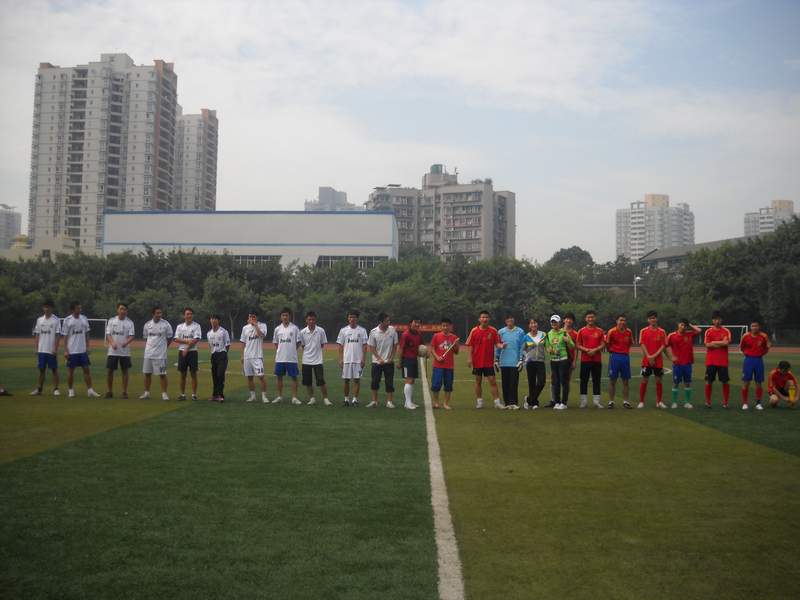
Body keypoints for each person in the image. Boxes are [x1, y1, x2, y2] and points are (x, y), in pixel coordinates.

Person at [465, 310, 504, 409]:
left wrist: (501, 346)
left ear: (489, 319)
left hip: (488, 362)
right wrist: (469, 358)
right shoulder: (474, 331)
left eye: (486, 317)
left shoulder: (493, 331)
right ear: (479, 319)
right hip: (477, 361)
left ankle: (497, 402)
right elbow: (469, 345)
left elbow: (497, 343)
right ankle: (479, 402)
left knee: (493, 381)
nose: (484, 319)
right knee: (478, 381)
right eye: (483, 317)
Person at [62, 301, 100, 398]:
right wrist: (65, 350)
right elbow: (65, 336)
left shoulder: (84, 318)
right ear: (73, 309)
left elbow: (87, 333)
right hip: (72, 351)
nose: (80, 309)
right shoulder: (67, 320)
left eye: (80, 308)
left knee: (86, 370)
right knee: (70, 371)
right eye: (78, 308)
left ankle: (90, 390)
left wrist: (88, 347)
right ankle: (71, 390)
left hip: (82, 350)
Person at [140, 305, 173, 401]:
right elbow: (146, 338)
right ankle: (146, 393)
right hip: (148, 354)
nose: (159, 315)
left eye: (160, 313)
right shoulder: (147, 325)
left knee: (162, 374)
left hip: (160, 355)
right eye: (157, 313)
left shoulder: (166, 324)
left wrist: (164, 347)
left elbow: (170, 338)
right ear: (153, 314)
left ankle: (164, 394)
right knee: (147, 373)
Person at [666, 319, 701, 409]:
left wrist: (690, 324)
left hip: (688, 363)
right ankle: (674, 402)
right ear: (678, 325)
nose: (683, 327)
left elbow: (699, 330)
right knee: (676, 383)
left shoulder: (689, 334)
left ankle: (687, 402)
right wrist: (671, 357)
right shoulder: (672, 335)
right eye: (681, 325)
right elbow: (665, 346)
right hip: (677, 364)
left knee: (687, 383)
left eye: (685, 325)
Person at [336, 310, 368, 407]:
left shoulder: (362, 330)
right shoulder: (343, 330)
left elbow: (365, 346)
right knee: (346, 380)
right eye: (350, 317)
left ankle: (355, 400)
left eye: (354, 317)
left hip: (358, 360)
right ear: (348, 318)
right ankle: (346, 399)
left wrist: (363, 359)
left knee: (357, 380)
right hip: (347, 360)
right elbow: (340, 346)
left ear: (357, 318)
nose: (352, 319)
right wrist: (340, 359)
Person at [367, 312, 399, 408]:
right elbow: (372, 347)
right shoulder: (373, 332)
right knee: (375, 382)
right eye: (386, 321)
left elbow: (395, 345)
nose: (389, 322)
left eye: (389, 320)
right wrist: (379, 358)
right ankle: (374, 401)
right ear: (381, 322)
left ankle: (389, 402)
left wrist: (391, 358)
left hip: (389, 362)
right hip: (376, 362)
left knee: (389, 382)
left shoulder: (392, 330)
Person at [31, 298, 61, 396]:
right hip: (42, 350)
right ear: (43, 308)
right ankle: (39, 389)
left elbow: (58, 335)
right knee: (41, 370)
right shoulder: (39, 320)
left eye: (48, 307)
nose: (46, 309)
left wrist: (55, 348)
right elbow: (37, 335)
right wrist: (36, 348)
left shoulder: (56, 320)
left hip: (51, 350)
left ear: (52, 308)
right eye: (45, 307)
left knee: (54, 370)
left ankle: (56, 389)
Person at [271, 308, 302, 405]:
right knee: (279, 378)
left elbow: (298, 342)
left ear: (290, 316)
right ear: (280, 317)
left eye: (287, 315)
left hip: (291, 358)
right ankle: (279, 397)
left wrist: (292, 350)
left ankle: (294, 398)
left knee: (294, 377)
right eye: (283, 315)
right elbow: (276, 343)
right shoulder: (277, 329)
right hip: (280, 358)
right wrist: (281, 350)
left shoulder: (295, 328)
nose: (285, 317)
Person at [299, 311, 330, 406]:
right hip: (306, 360)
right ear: (306, 320)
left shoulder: (321, 331)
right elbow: (303, 345)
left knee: (321, 381)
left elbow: (322, 344)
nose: (311, 321)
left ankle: (326, 399)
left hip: (318, 360)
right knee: (308, 382)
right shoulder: (302, 332)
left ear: (315, 320)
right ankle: (312, 398)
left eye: (313, 319)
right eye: (309, 319)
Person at [576, 310, 605, 409]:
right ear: (585, 319)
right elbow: (578, 345)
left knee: (596, 381)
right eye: (589, 317)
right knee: (584, 380)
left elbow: (603, 344)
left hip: (597, 360)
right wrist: (587, 350)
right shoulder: (581, 331)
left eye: (592, 317)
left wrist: (595, 350)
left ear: (595, 318)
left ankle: (596, 402)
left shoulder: (600, 331)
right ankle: (583, 402)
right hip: (585, 359)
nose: (590, 319)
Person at [638, 310, 667, 409]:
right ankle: (641, 401)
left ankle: (659, 401)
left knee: (659, 380)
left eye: (654, 318)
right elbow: (642, 343)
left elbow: (663, 345)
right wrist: (649, 356)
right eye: (650, 318)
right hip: (647, 360)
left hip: (658, 360)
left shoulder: (662, 331)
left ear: (657, 319)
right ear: (648, 320)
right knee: (644, 380)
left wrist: (654, 356)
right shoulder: (643, 331)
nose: (652, 320)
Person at [105, 302, 135, 399]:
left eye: (124, 309)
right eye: (121, 309)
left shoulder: (129, 322)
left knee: (125, 371)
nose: (123, 311)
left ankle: (124, 392)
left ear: (127, 311)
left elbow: (132, 336)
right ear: (117, 310)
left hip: (125, 352)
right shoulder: (112, 321)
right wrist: (112, 343)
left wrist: (126, 342)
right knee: (110, 371)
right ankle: (109, 391)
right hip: (112, 351)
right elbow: (108, 334)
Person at [545, 315, 575, 410]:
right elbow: (547, 346)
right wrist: (549, 349)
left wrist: (568, 341)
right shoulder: (549, 334)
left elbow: (572, 346)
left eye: (556, 322)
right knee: (556, 382)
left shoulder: (564, 333)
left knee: (564, 381)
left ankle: (564, 403)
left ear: (559, 323)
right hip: (554, 360)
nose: (554, 323)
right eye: (552, 322)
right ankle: (557, 402)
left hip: (563, 360)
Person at [496, 314, 526, 410]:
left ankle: (514, 402)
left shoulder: (520, 331)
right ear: (505, 321)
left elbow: (522, 346)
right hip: (504, 362)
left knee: (514, 383)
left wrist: (521, 359)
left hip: (515, 362)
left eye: (511, 319)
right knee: (505, 383)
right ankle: (507, 403)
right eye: (508, 319)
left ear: (514, 320)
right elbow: (497, 346)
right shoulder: (501, 332)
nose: (510, 321)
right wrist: (496, 359)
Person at [739, 320, 771, 411]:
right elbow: (741, 347)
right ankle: (745, 403)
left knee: (759, 382)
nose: (754, 327)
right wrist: (748, 354)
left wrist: (761, 353)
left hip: (758, 360)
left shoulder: (763, 336)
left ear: (759, 327)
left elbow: (767, 346)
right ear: (750, 327)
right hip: (748, 360)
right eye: (752, 326)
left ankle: (758, 403)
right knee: (746, 382)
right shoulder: (745, 336)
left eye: (756, 326)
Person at [704, 311, 732, 408]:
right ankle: (708, 401)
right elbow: (707, 345)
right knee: (709, 381)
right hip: (711, 361)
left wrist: (713, 342)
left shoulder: (726, 331)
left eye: (719, 319)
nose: (717, 321)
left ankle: (725, 402)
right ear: (713, 320)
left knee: (725, 382)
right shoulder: (708, 331)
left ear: (721, 320)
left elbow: (726, 343)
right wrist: (721, 342)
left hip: (723, 362)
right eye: (715, 319)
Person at [430, 317, 459, 410]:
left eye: (447, 326)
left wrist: (456, 345)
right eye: (443, 325)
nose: (445, 327)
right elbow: (432, 348)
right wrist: (437, 357)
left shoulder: (454, 337)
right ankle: (436, 403)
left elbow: (456, 352)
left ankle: (446, 403)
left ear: (450, 326)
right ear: (441, 326)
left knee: (448, 385)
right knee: (436, 385)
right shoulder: (436, 336)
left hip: (449, 366)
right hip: (438, 366)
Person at [240, 309, 269, 403]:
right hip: (247, 356)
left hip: (257, 356)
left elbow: (262, 335)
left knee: (261, 377)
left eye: (253, 317)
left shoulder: (262, 325)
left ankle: (264, 396)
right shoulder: (245, 328)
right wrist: (242, 356)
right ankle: (252, 396)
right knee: (249, 377)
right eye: (250, 316)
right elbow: (243, 342)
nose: (251, 318)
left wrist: (255, 325)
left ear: (257, 317)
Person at [606, 314, 634, 409]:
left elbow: (630, 343)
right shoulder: (611, 331)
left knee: (625, 381)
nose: (622, 322)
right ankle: (611, 401)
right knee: (612, 380)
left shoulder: (629, 331)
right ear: (616, 321)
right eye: (621, 320)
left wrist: (624, 350)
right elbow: (607, 343)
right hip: (614, 357)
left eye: (624, 320)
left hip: (625, 357)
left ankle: (626, 401)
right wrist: (613, 351)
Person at [174, 307, 202, 401]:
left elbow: (196, 339)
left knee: (193, 373)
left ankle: (194, 394)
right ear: (184, 316)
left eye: (191, 314)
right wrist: (187, 342)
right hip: (182, 352)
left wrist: (187, 348)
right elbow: (176, 339)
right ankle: (182, 394)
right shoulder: (179, 327)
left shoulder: (196, 326)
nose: (189, 315)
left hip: (193, 352)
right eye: (187, 314)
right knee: (183, 374)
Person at [398, 318, 423, 410]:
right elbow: (401, 348)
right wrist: (400, 362)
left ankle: (408, 402)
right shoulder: (405, 334)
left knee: (412, 381)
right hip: (406, 360)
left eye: (419, 323)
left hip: (414, 360)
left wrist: (425, 352)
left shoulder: (419, 334)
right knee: (408, 380)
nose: (417, 324)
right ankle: (408, 403)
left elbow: (421, 347)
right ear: (410, 324)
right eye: (415, 322)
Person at [522, 318, 546, 410]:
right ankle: (535, 403)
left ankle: (529, 400)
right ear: (529, 325)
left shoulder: (543, 334)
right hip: (530, 362)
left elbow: (547, 346)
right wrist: (526, 357)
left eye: (535, 323)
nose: (533, 325)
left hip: (540, 361)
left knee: (541, 382)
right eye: (531, 323)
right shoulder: (526, 336)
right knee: (531, 383)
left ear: (537, 324)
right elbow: (522, 349)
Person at [206, 314, 231, 402]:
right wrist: (213, 353)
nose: (213, 320)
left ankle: (220, 395)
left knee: (220, 375)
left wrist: (224, 354)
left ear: (218, 321)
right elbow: (210, 345)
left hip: (222, 355)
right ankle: (214, 395)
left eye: (215, 319)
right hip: (214, 355)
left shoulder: (223, 331)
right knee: (214, 376)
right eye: (212, 319)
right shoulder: (209, 333)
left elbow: (227, 344)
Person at [562, 312, 579, 400]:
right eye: (567, 318)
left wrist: (574, 362)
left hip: (569, 359)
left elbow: (576, 349)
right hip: (558, 359)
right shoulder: (558, 331)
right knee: (555, 380)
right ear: (563, 320)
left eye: (570, 319)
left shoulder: (575, 334)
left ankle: (564, 400)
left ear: (573, 321)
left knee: (567, 380)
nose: (568, 320)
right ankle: (554, 400)